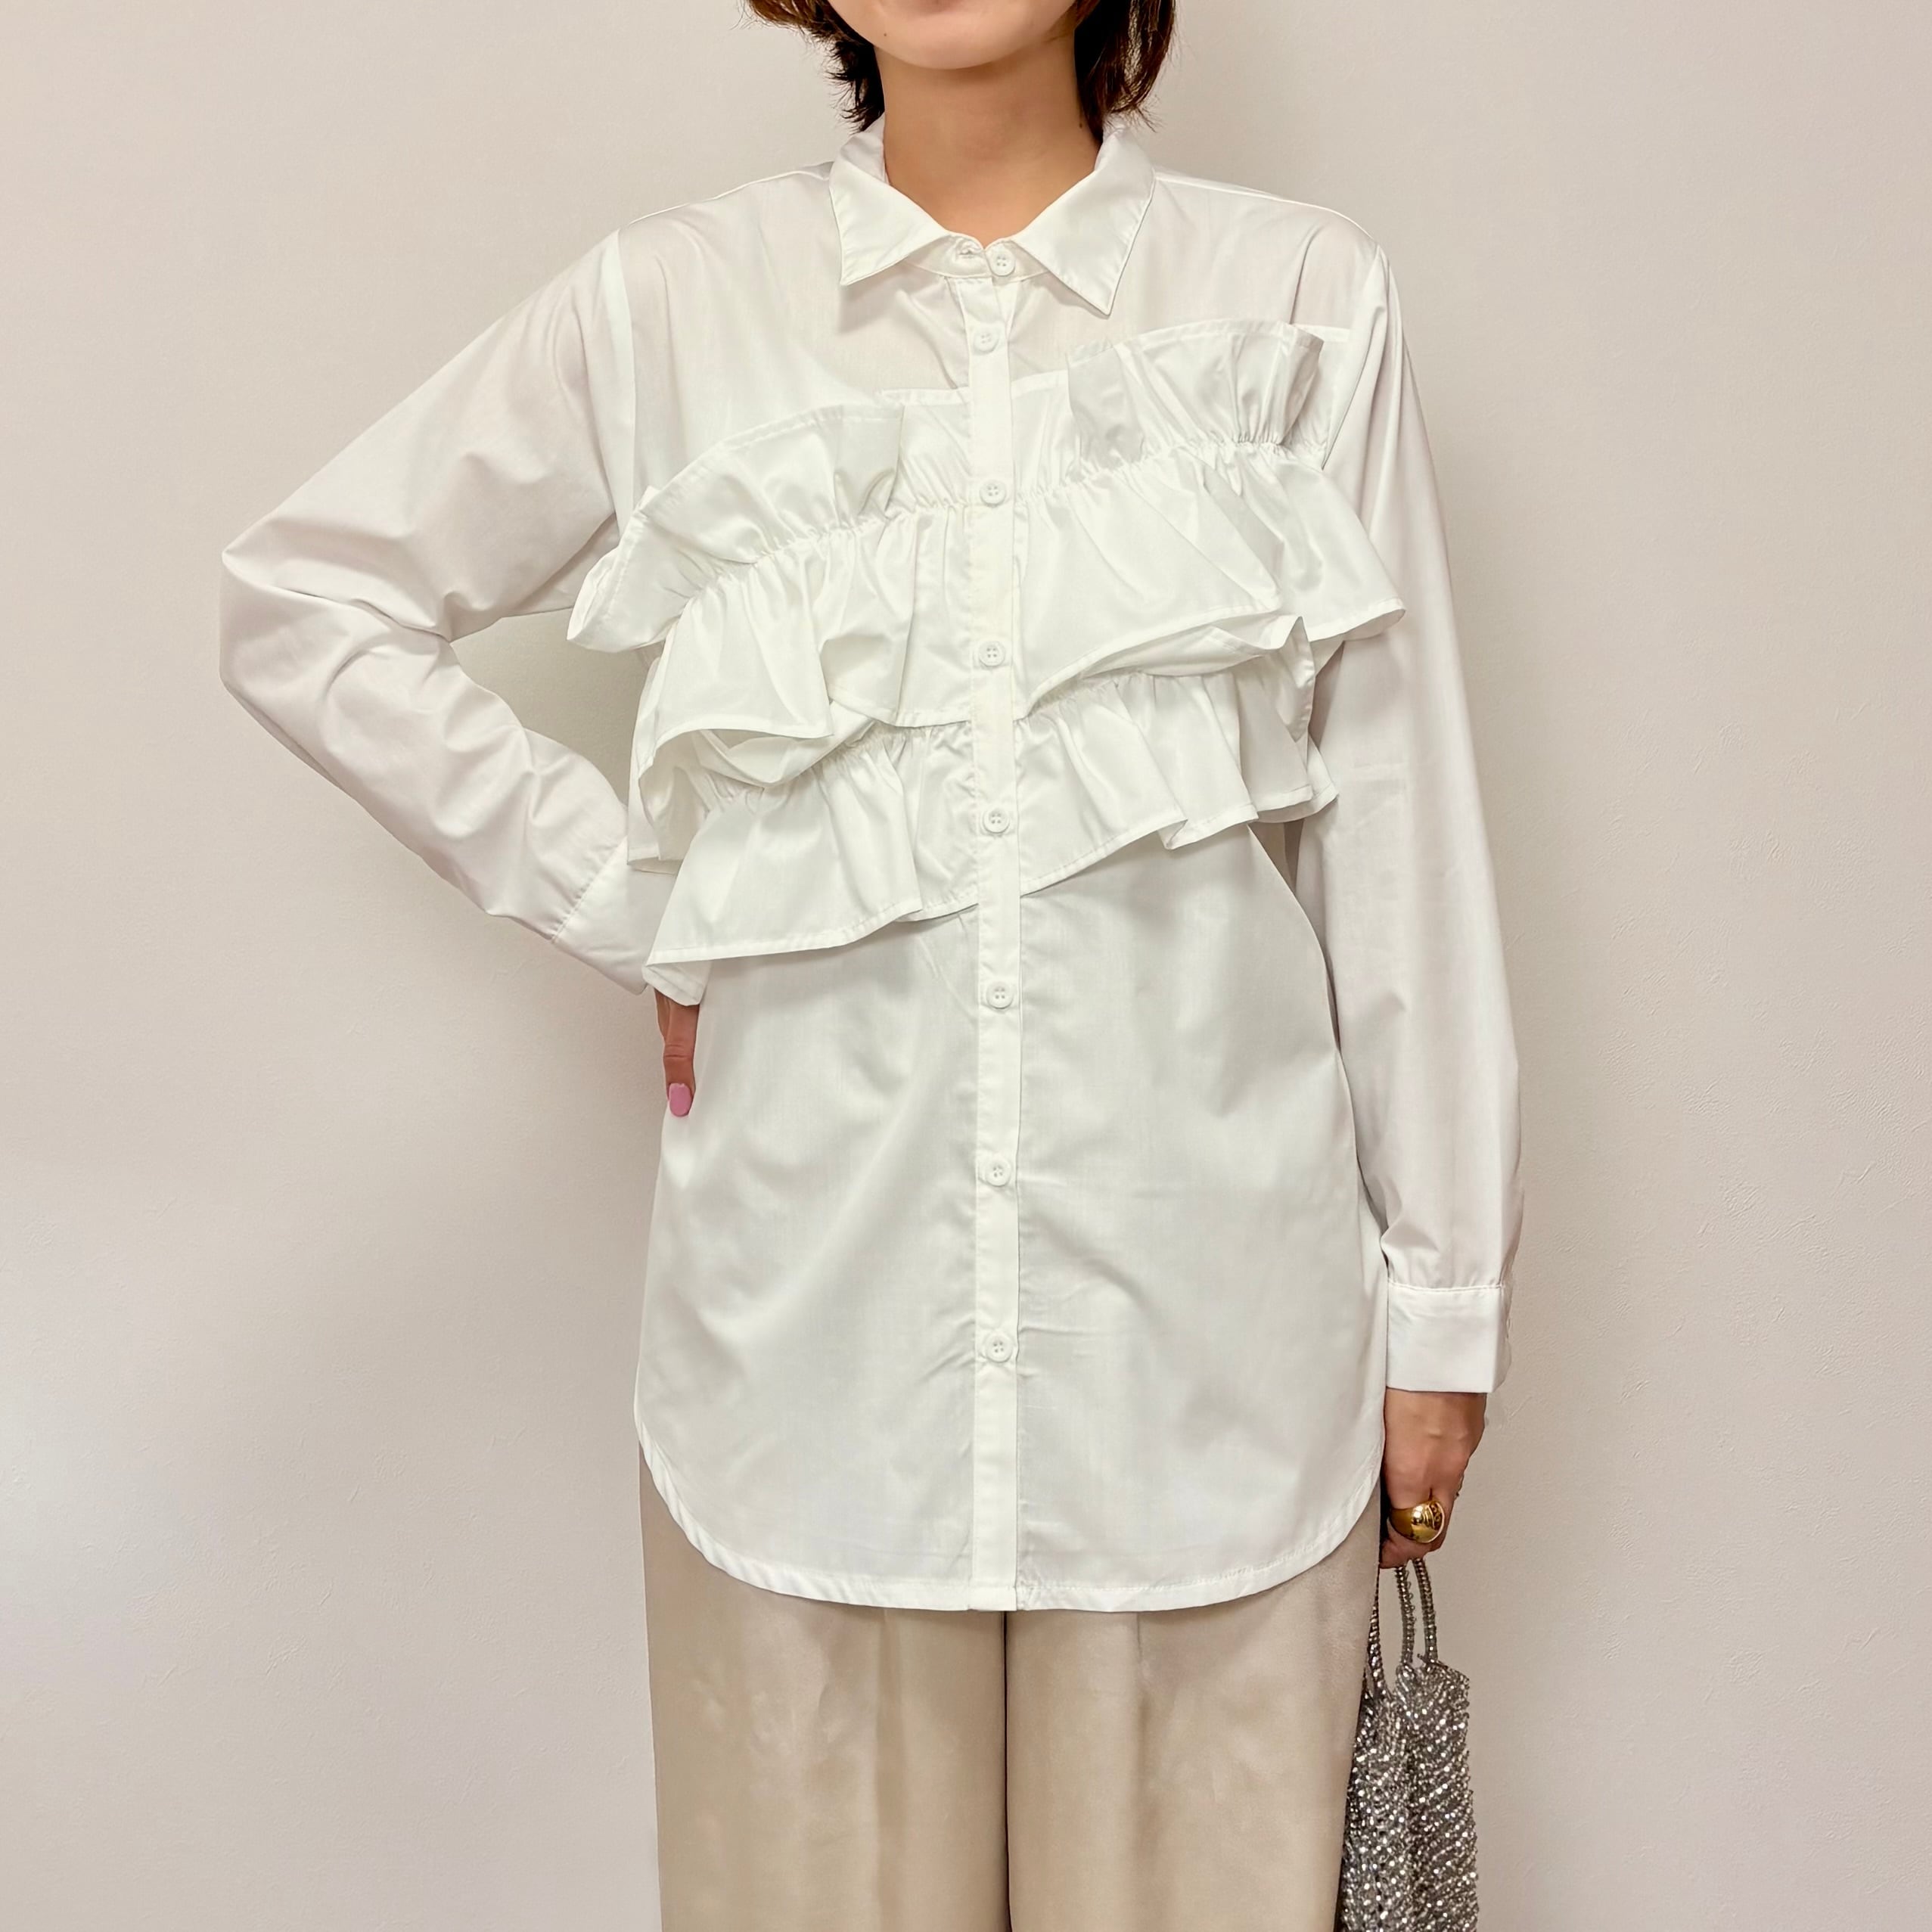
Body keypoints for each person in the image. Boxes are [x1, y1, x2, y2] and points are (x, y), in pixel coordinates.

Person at [216, 2, 1523, 1925]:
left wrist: (1445, 1304)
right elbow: (306, 601)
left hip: (1212, 1369)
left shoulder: (1299, 300)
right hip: (804, 1383)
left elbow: (1398, 820)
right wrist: (646, 898)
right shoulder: (667, 308)